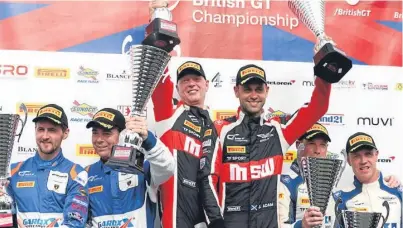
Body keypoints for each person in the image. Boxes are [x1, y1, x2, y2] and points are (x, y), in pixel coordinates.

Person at [199, 64, 332, 228]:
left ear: (267, 91)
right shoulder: (220, 129)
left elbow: (318, 106)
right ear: (236, 91)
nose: (254, 95)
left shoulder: (278, 130)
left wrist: (326, 68)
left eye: (259, 89)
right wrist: (215, 222)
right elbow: (207, 178)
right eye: (248, 89)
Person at [277, 125, 400, 228]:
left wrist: (387, 183)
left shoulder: (338, 185)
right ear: (299, 145)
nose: (317, 150)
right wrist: (301, 225)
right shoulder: (285, 183)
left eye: (323, 145)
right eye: (311, 143)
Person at [84, 108, 175, 227]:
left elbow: (167, 166)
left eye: (107, 133)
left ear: (122, 135)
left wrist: (148, 140)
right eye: (95, 133)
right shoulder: (87, 173)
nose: (99, 140)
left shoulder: (143, 166)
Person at [151, 60, 212, 228]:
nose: (191, 83)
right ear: (177, 89)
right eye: (185, 80)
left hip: (211, 215)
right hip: (177, 217)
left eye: (196, 79)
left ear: (206, 85)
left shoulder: (217, 125)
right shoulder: (168, 115)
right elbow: (159, 83)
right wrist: (161, 45)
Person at [7, 104, 89, 227]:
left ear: (65, 133)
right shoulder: (13, 171)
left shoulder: (76, 173)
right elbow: (6, 215)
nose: (45, 136)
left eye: (52, 130)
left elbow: (75, 221)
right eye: (41, 129)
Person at [332, 132, 402, 228]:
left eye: (368, 154)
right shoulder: (341, 199)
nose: (363, 161)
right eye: (356, 156)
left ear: (376, 155)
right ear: (348, 160)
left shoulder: (397, 192)